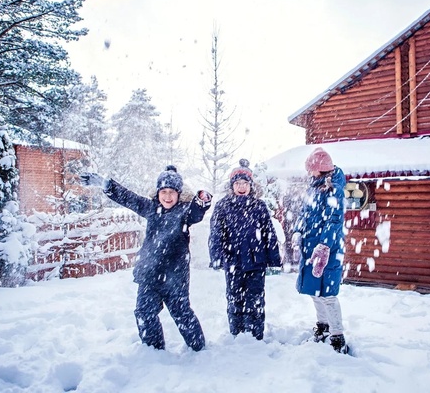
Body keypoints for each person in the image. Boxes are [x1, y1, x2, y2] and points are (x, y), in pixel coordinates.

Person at [80, 166, 212, 352]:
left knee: (181, 313)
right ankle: (153, 351)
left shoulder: (183, 212)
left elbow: (196, 213)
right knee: (144, 312)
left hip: (175, 277)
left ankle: (199, 348)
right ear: (158, 192)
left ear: (179, 194)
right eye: (163, 192)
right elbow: (128, 197)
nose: (167, 196)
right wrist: (105, 184)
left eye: (172, 192)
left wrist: (201, 201)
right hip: (149, 273)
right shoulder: (151, 208)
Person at [208, 159, 281, 340]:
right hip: (233, 262)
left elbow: (269, 234)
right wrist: (216, 257)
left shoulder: (259, 206)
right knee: (235, 299)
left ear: (251, 185)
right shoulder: (223, 206)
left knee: (255, 299)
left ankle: (255, 335)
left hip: (256, 262)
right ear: (232, 185)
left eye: (245, 183)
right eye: (238, 183)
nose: (241, 187)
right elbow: (216, 234)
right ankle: (237, 333)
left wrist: (273, 258)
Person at [291, 147, 349, 354]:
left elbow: (335, 221)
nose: (309, 173)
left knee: (328, 294)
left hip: (328, 250)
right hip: (311, 248)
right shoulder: (313, 188)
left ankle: (337, 336)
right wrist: (298, 231)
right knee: (315, 291)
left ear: (320, 169)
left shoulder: (334, 189)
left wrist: (324, 245)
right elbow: (304, 214)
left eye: (311, 169)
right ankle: (323, 326)